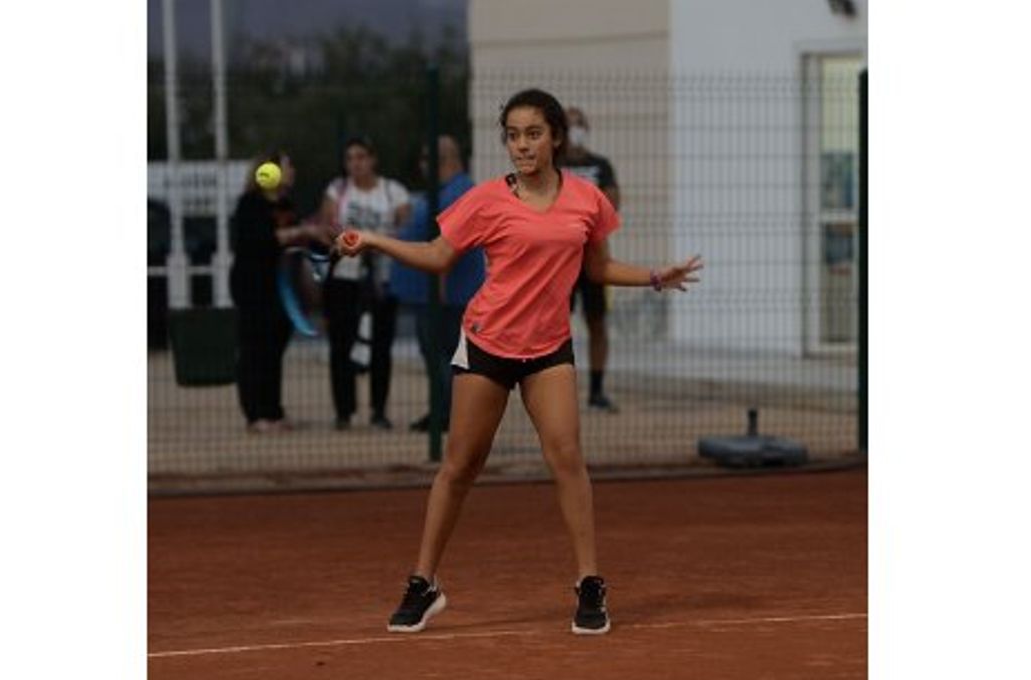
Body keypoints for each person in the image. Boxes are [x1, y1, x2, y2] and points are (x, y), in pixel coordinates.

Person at [334, 89, 702, 635]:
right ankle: (423, 582)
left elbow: (596, 269)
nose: (522, 145)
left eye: (533, 133)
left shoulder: (588, 199)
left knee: (567, 457)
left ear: (555, 138)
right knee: (460, 466)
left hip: (549, 348)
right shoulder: (485, 200)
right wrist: (372, 240)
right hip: (487, 343)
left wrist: (653, 277)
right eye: (513, 135)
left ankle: (590, 583)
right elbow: (438, 256)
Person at [391, 136, 484, 433]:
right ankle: (440, 410)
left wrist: (439, 289)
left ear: (443, 161)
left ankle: (447, 415)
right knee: (437, 355)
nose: (421, 166)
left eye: (425, 159)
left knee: (443, 354)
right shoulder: (442, 191)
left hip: (446, 296)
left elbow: (450, 244)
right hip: (430, 293)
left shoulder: (457, 193)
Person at [229, 150, 327, 433]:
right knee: (254, 350)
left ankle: (273, 411)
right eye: (287, 166)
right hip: (253, 287)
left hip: (283, 289)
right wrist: (298, 233)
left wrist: (313, 235)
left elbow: (297, 240)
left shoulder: (287, 204)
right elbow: (258, 240)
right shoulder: (250, 204)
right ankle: (255, 415)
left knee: (274, 349)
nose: (292, 171)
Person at [319, 137, 412, 431]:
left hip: (381, 280)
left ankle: (378, 410)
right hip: (345, 278)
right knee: (341, 344)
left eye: (360, 157)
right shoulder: (338, 189)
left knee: (381, 346)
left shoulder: (392, 191)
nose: (355, 164)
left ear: (373, 159)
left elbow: (407, 226)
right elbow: (327, 226)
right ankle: (344, 411)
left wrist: (378, 242)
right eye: (349, 158)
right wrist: (346, 239)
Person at [560, 106, 623, 412]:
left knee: (597, 322)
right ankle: (558, 388)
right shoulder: (553, 164)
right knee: (558, 325)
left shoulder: (601, 165)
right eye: (570, 125)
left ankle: (597, 391)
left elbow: (611, 205)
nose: (576, 131)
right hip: (560, 259)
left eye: (579, 124)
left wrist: (579, 210)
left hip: (594, 257)